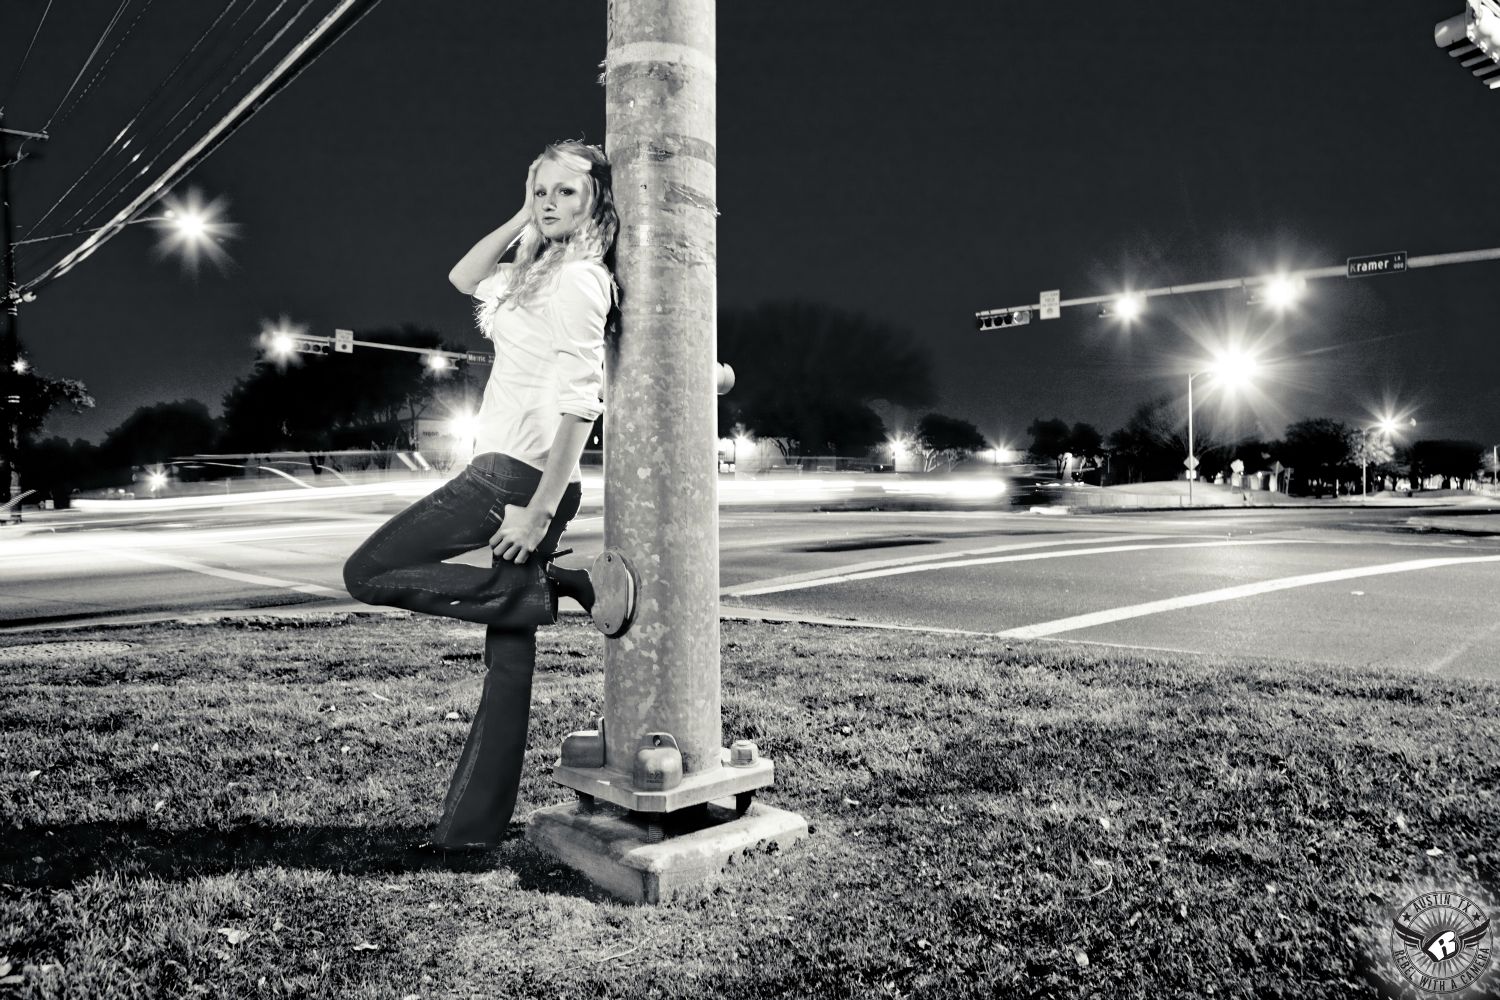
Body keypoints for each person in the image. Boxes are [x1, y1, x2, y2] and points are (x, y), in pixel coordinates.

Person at [342, 140, 617, 853]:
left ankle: (546, 585)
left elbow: (580, 403)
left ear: (597, 205)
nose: (551, 203)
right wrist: (521, 214)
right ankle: (471, 830)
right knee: (508, 666)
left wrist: (538, 510)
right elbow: (464, 276)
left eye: (567, 193)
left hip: (515, 482)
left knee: (366, 572)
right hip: (516, 479)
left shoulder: (581, 280)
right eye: (540, 189)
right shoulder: (535, 273)